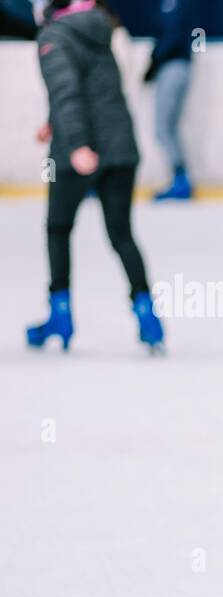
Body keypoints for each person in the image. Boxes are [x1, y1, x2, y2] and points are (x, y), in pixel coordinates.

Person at [26, 0, 164, 353]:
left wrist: (75, 144)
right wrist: (53, 123)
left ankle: (61, 315)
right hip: (120, 148)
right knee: (121, 233)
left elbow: (67, 91)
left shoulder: (53, 37)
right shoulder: (101, 29)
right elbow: (93, 87)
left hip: (81, 150)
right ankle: (148, 316)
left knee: (57, 228)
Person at [144, 0, 198, 201]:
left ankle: (181, 180)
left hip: (173, 66)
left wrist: (154, 61)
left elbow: (173, 36)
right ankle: (180, 179)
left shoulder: (177, 5)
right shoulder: (168, 5)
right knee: (168, 128)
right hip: (173, 66)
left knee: (163, 128)